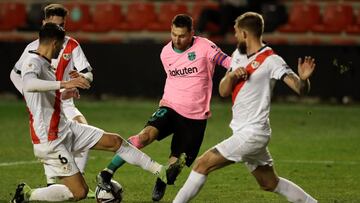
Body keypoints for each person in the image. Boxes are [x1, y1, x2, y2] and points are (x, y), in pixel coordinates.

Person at [11, 23, 186, 203]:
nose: (62, 49)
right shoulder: (32, 62)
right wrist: (64, 84)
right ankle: (27, 194)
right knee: (79, 192)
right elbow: (29, 85)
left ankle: (161, 172)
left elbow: (42, 98)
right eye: (62, 45)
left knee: (115, 141)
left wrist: (64, 94)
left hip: (65, 128)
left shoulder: (45, 64)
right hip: (49, 139)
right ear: (55, 42)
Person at [173, 12, 317, 203]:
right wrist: (232, 77)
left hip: (252, 133)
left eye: (236, 32)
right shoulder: (238, 54)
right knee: (269, 183)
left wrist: (304, 80)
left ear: (245, 34)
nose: (234, 36)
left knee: (202, 164)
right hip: (244, 131)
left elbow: (299, 88)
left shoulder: (271, 60)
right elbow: (223, 91)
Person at [96, 14, 232, 201]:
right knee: (145, 136)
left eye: (182, 35)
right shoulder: (165, 53)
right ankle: (106, 173)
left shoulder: (205, 46)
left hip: (195, 117)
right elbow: (172, 79)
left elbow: (227, 61)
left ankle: (162, 180)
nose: (177, 39)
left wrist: (239, 70)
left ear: (192, 33)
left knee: (176, 164)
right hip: (170, 107)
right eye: (174, 34)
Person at [10, 3, 94, 193]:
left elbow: (88, 72)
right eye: (54, 24)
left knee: (85, 135)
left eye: (62, 25)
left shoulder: (72, 44)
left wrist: (82, 79)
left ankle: (74, 183)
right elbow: (14, 74)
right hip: (46, 105)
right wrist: (30, 95)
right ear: (44, 23)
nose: (59, 29)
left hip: (66, 102)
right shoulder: (32, 48)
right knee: (51, 141)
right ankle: (52, 184)